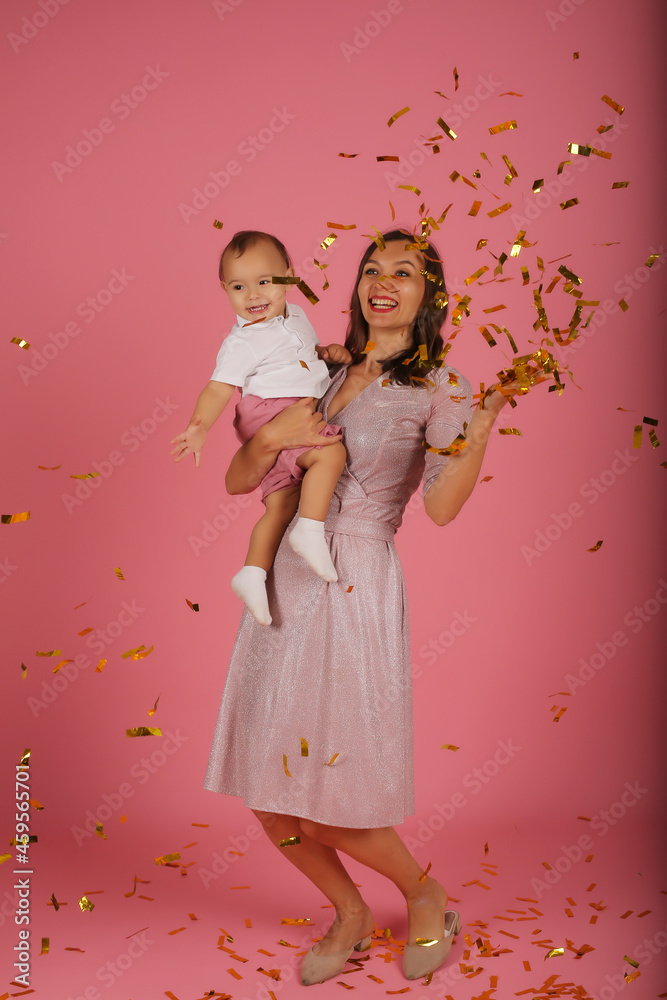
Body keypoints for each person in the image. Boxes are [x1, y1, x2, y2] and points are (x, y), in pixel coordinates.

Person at [203, 229, 539, 986]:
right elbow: (237, 478)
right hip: (283, 575)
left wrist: (479, 430)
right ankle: (348, 911)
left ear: (430, 297)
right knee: (267, 793)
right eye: (370, 269)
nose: (382, 283)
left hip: (353, 577)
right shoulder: (311, 361)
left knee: (329, 802)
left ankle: (423, 892)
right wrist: (270, 442)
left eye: (404, 274)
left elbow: (444, 506)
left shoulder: (440, 387)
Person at [171, 231, 350, 626]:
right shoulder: (243, 342)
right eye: (238, 287)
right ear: (224, 290)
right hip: (271, 411)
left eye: (264, 282)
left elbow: (299, 356)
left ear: (289, 276)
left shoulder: (298, 315)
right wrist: (198, 426)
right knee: (330, 451)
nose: (252, 295)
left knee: (282, 501)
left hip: (284, 407)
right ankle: (310, 529)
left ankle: (252, 573)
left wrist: (325, 355)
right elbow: (218, 389)